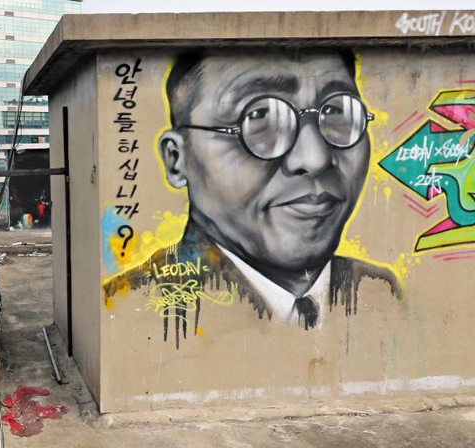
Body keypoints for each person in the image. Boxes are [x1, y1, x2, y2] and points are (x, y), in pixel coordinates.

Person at [104, 49, 401, 334]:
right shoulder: (128, 309)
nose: (314, 158)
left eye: (336, 111)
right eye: (259, 116)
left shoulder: (381, 293)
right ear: (177, 160)